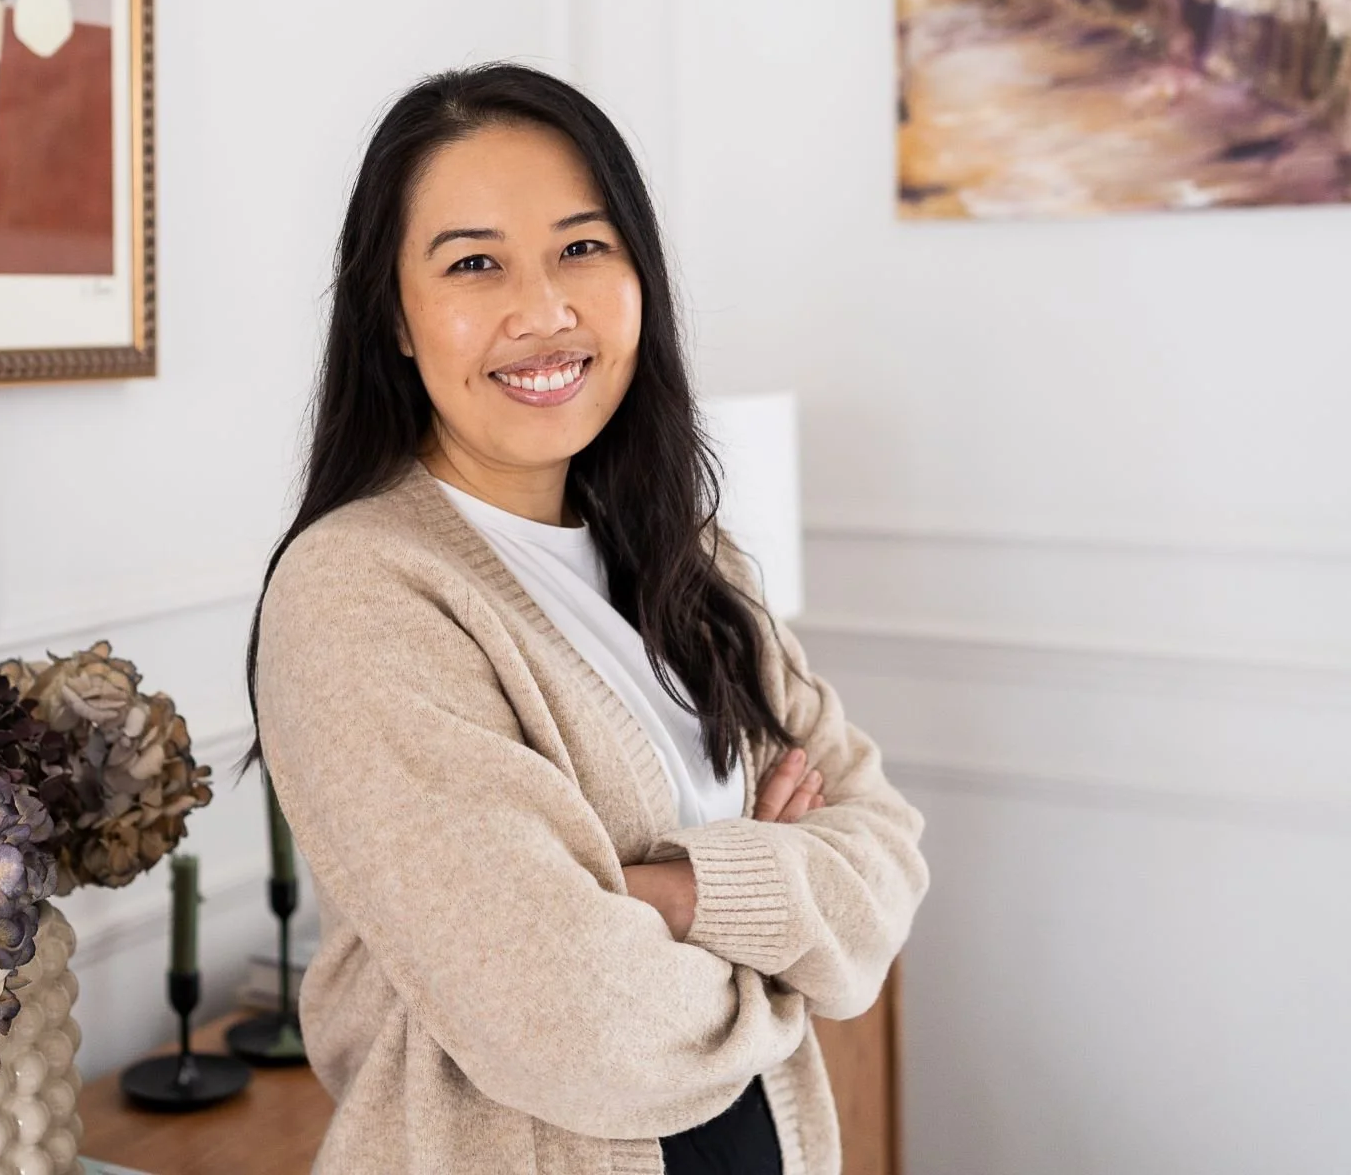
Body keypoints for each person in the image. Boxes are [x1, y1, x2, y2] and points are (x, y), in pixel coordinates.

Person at [235, 63, 931, 1175]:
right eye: (474, 264)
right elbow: (574, 1019)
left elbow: (887, 863)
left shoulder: (689, 559)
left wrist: (670, 888)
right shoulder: (360, 589)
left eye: (582, 247)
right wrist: (788, 938)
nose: (543, 310)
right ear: (396, 320)